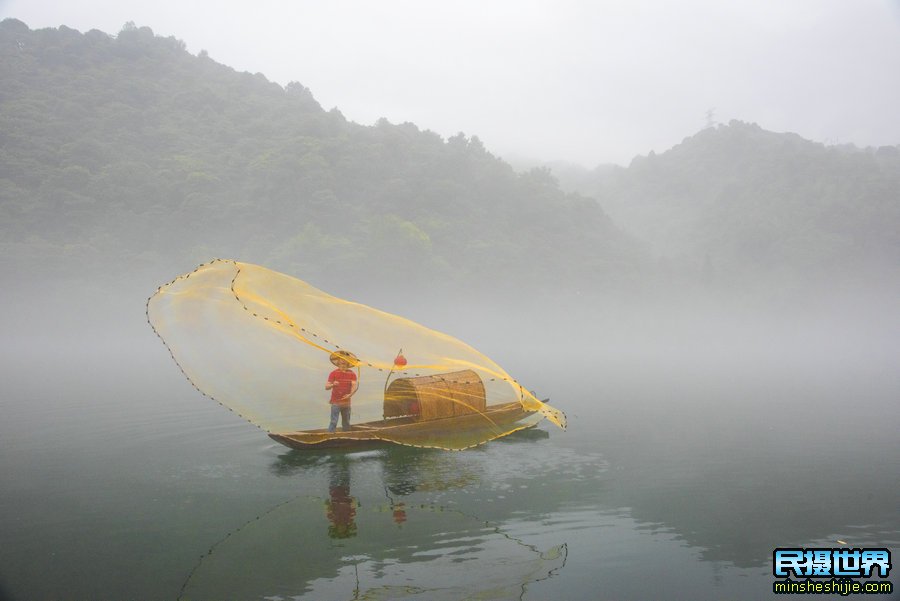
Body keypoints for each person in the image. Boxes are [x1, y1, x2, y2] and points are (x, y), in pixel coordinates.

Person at [326, 350, 358, 432]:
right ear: (338, 362)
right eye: (341, 360)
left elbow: (354, 386)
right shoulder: (333, 373)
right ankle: (329, 436)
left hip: (346, 403)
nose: (343, 362)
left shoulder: (352, 374)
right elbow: (326, 387)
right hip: (335, 402)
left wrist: (350, 395)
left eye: (345, 361)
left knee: (346, 422)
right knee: (333, 422)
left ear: (348, 362)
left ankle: (346, 436)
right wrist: (333, 384)